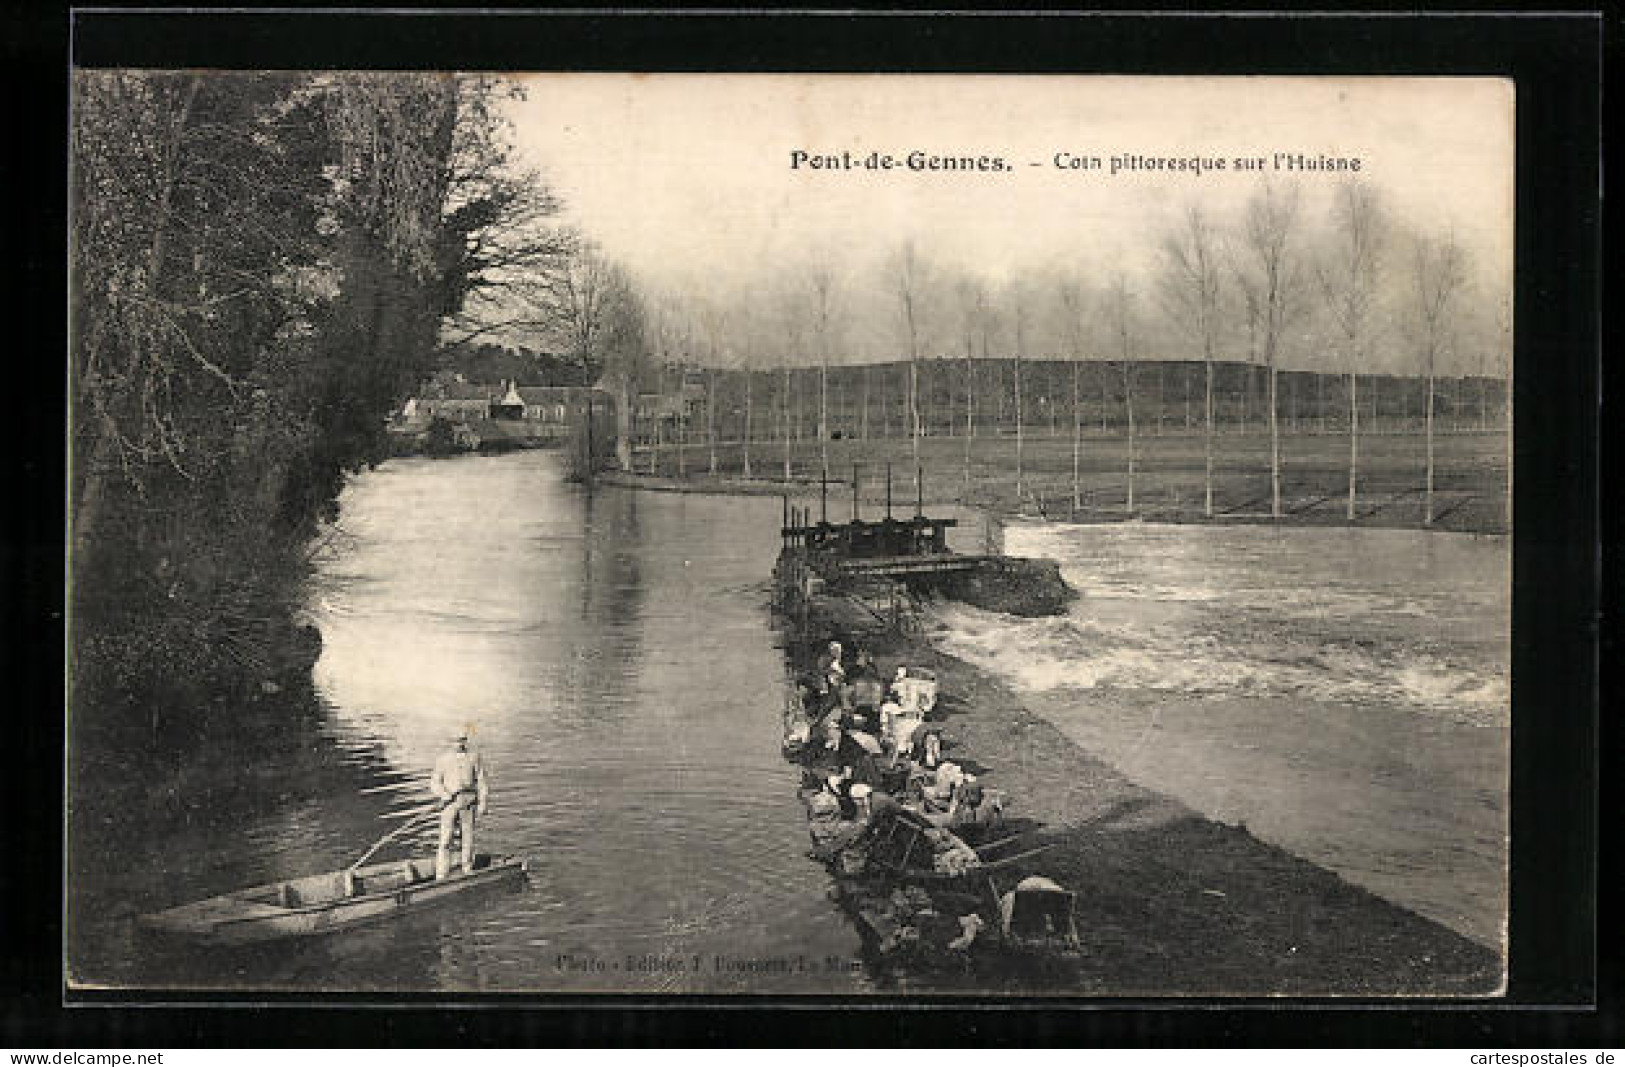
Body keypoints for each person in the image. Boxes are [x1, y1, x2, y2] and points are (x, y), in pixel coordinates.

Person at [430, 729, 489, 880]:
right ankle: (441, 874)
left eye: (462, 740)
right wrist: (444, 794)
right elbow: (434, 783)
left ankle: (467, 869)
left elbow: (482, 782)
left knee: (467, 838)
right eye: (456, 740)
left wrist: (483, 803)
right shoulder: (442, 760)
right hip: (449, 804)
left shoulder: (474, 757)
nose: (459, 743)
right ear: (450, 742)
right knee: (445, 839)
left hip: (468, 803)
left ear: (465, 741)